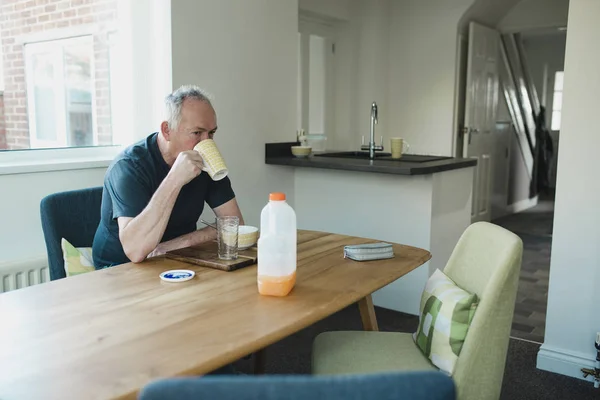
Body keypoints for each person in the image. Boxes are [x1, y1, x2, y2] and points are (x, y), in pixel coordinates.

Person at [92, 85, 244, 269]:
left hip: (176, 257)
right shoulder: (128, 167)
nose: (207, 142)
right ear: (167, 130)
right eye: (197, 133)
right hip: (120, 268)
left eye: (211, 133)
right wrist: (175, 179)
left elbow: (234, 223)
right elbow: (135, 250)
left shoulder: (205, 159)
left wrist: (177, 245)